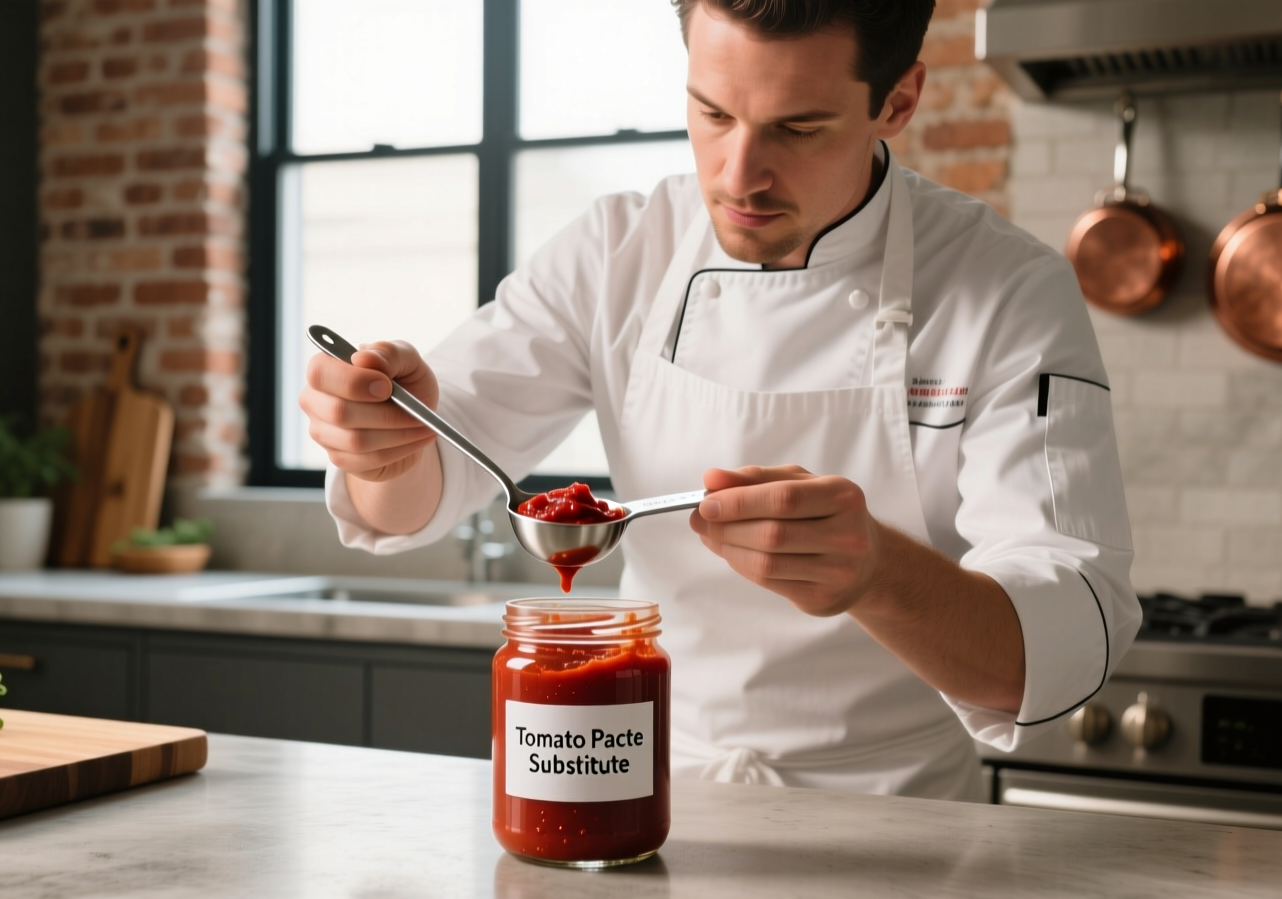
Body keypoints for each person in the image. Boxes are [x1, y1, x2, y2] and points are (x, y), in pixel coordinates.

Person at [300, 0, 1140, 801]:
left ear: (899, 100)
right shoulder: (616, 252)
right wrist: (384, 446)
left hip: (892, 821)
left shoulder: (1004, 289)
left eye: (797, 128)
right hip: (632, 780)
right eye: (711, 114)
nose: (740, 176)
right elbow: (417, 494)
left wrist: (877, 573)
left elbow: (1057, 648)